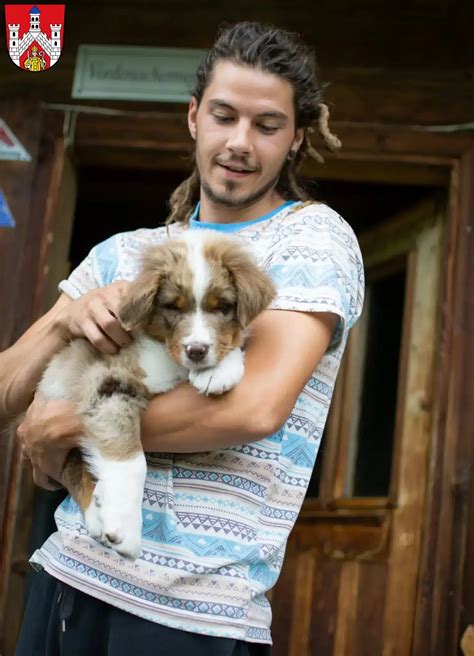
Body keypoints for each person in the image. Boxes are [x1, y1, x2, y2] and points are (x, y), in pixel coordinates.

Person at [1, 21, 364, 656]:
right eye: (224, 116)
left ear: (297, 138)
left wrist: (67, 427)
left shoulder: (310, 242)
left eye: (267, 125)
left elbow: (253, 407)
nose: (240, 143)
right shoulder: (123, 255)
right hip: (68, 574)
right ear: (194, 117)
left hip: (196, 609)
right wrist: (66, 318)